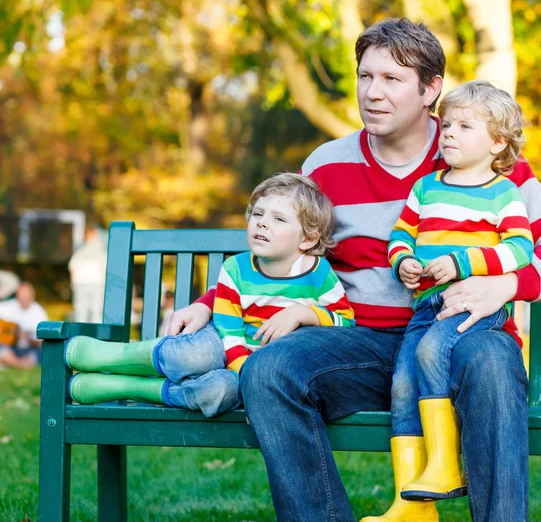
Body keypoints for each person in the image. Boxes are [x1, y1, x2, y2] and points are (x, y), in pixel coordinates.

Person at [161, 18, 541, 522]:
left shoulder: (477, 152)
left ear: (431, 89)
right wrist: (210, 301)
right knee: (268, 370)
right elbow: (284, 250)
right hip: (358, 344)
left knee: (494, 365)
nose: (373, 93)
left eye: (392, 79)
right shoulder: (326, 165)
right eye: (366, 77)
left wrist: (508, 284)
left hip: (463, 335)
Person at [370, 81, 534, 515]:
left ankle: (445, 466)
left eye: (465, 126)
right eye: (448, 125)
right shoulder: (426, 188)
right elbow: (401, 234)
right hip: (426, 305)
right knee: (402, 383)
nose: (450, 134)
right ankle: (410, 502)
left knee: (428, 351)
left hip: (472, 305)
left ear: (497, 142)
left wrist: (464, 262)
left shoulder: (504, 193)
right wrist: (402, 260)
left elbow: (521, 249)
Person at [64, 174, 355, 416]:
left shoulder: (318, 274)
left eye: (279, 219)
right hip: (228, 347)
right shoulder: (236, 269)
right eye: (258, 214)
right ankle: (116, 355)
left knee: (218, 393)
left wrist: (302, 313)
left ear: (307, 238)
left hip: (263, 374)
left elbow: (345, 323)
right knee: (196, 354)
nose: (262, 222)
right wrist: (248, 373)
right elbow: (228, 331)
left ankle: (129, 387)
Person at [0, 282, 48, 368]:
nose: (23, 299)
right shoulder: (7, 306)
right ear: (17, 296)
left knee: (45, 352)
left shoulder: (39, 312)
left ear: (32, 296)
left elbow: (44, 341)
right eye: (21, 297)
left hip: (29, 349)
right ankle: (20, 364)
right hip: (11, 348)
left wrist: (29, 338)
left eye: (26, 297)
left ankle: (12, 363)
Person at [68, 220, 108, 323]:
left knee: (82, 313)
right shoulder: (99, 249)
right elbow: (104, 268)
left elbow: (72, 267)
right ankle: (93, 337)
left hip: (82, 283)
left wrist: (74, 283)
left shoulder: (81, 250)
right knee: (95, 312)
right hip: (95, 284)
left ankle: (80, 336)